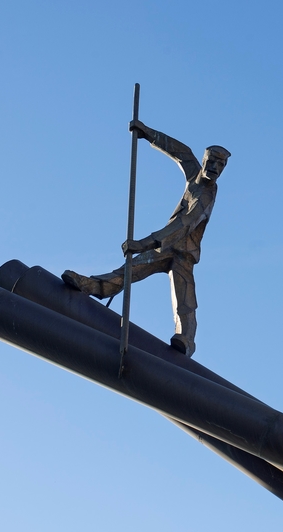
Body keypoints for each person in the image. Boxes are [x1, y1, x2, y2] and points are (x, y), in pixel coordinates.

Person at [63, 120, 229, 358]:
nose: (214, 167)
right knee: (131, 268)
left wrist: (144, 243)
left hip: (182, 252)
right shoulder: (195, 174)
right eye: (211, 161)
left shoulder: (206, 194)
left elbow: (184, 224)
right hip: (167, 247)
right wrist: (147, 133)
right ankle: (92, 285)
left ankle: (186, 341)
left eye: (220, 165)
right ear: (204, 161)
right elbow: (180, 151)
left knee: (185, 301)